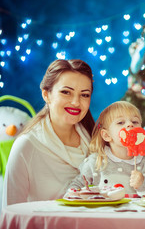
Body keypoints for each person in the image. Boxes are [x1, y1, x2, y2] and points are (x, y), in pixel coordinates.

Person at [2, 59, 95, 207]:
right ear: (46, 95)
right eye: (66, 92)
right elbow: (12, 211)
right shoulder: (27, 145)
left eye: (84, 95)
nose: (76, 102)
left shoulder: (94, 141)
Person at [67, 101, 145, 196]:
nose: (130, 124)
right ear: (107, 135)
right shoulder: (96, 162)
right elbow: (76, 186)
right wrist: (73, 195)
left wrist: (143, 185)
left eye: (135, 121)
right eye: (120, 122)